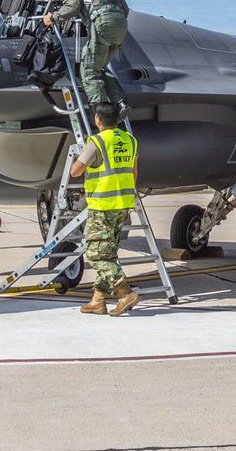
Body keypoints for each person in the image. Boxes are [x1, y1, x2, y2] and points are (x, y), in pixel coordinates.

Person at [70, 102, 140, 316]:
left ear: (97, 119)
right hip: (123, 204)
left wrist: (78, 157)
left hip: (102, 206)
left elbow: (75, 171)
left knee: (95, 254)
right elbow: (133, 172)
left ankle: (125, 292)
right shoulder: (130, 140)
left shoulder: (97, 141)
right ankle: (98, 301)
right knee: (108, 253)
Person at [42, 0, 129, 111]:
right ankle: (121, 103)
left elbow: (72, 6)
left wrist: (53, 17)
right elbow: (125, 8)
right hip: (121, 26)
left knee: (88, 72)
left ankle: (102, 114)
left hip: (102, 24)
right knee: (98, 67)